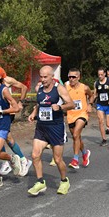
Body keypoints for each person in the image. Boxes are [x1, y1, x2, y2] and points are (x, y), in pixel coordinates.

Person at [27, 66, 75, 196]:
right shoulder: (39, 89)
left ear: (52, 76)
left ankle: (64, 180)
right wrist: (33, 113)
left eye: (45, 77)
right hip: (41, 127)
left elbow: (72, 104)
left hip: (56, 127)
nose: (42, 79)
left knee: (58, 159)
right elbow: (39, 104)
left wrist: (60, 107)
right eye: (41, 77)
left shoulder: (58, 88)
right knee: (35, 155)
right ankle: (40, 181)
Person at [0, 60, 31, 177]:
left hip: (7, 112)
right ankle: (10, 160)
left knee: (5, 136)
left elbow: (23, 87)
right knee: (4, 137)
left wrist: (21, 102)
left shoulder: (8, 80)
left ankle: (21, 159)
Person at [65, 68, 92, 169]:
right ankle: (85, 153)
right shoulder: (66, 87)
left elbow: (91, 96)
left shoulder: (84, 88)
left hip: (82, 114)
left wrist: (90, 104)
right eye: (69, 77)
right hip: (71, 115)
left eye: (74, 77)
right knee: (76, 137)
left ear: (78, 77)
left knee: (76, 134)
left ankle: (75, 159)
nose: (71, 79)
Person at [91, 67, 109, 146]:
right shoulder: (96, 83)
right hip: (100, 104)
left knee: (108, 124)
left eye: (101, 74)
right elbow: (95, 94)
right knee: (100, 121)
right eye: (98, 75)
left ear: (104, 74)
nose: (100, 76)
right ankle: (104, 139)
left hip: (108, 105)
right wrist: (90, 103)